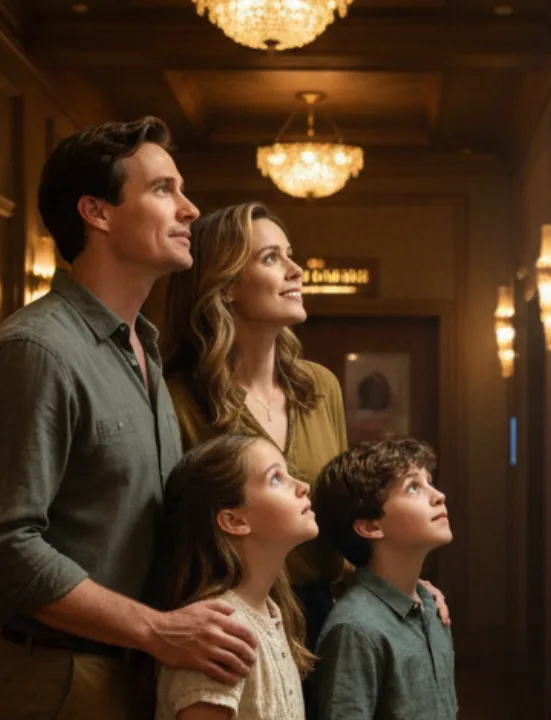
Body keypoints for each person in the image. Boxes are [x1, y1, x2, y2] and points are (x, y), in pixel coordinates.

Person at [0, 117, 258, 720]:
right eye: (162, 190)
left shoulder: (144, 351)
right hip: (63, 680)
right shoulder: (37, 351)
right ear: (96, 212)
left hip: (139, 668)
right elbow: (2, 549)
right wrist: (155, 629)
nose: (190, 209)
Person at [161, 202, 450, 662]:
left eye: (289, 254)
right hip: (231, 622)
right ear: (227, 284)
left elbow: (344, 515)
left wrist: (398, 583)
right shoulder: (177, 400)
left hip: (324, 612)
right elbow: (167, 536)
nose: (297, 270)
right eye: (272, 258)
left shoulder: (319, 387)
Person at [156, 434, 318, 720]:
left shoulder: (273, 613)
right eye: (276, 479)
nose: (303, 487)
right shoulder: (217, 630)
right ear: (234, 520)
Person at [310, 439, 458, 720]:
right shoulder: (355, 629)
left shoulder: (433, 607)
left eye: (429, 481)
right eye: (414, 487)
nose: (438, 495)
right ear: (370, 526)